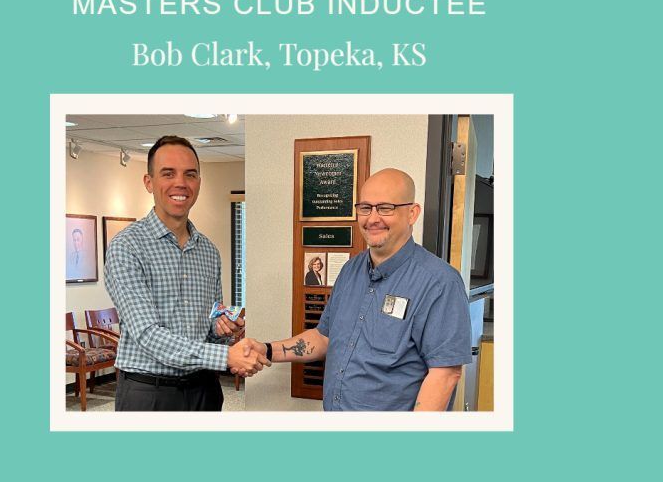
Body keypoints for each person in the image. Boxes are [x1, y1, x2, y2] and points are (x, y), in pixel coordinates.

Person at [239, 168, 472, 411]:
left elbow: (445, 374)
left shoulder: (440, 283)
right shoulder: (351, 270)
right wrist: (267, 350)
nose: (373, 218)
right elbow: (324, 338)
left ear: (412, 213)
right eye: (365, 208)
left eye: (385, 208)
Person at [105, 135, 269, 411]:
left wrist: (223, 329)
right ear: (149, 182)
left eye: (190, 174)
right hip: (148, 394)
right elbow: (147, 334)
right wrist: (226, 356)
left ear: (199, 183)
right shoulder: (127, 247)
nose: (180, 183)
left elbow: (210, 326)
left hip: (204, 390)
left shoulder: (209, 251)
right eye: (168, 173)